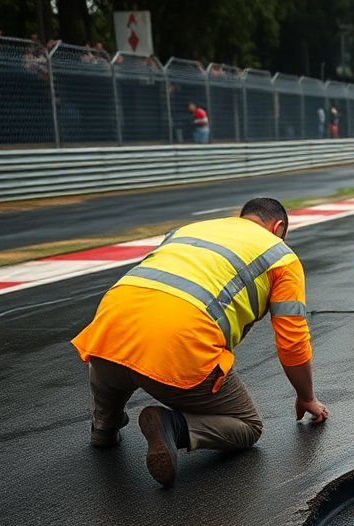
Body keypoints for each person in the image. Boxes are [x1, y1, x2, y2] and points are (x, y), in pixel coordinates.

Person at [71, 198, 329, 488]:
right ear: (278, 227)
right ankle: (173, 426)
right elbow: (292, 341)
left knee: (119, 360)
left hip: (107, 332)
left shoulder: (190, 229)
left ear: (241, 217)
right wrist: (306, 397)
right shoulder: (281, 256)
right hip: (179, 347)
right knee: (248, 427)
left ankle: (104, 427)